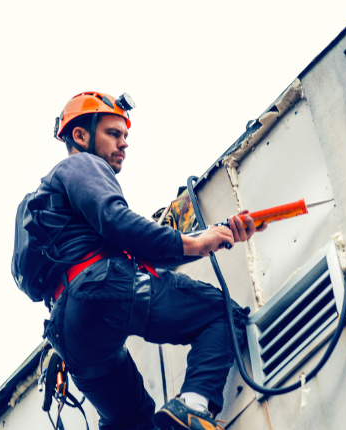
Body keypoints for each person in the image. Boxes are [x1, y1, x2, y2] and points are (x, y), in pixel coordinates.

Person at [30, 91, 264, 430]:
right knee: (222, 313)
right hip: (103, 288)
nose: (123, 143)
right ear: (79, 136)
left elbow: (135, 251)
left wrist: (212, 236)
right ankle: (193, 406)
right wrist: (196, 245)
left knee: (130, 420)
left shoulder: (48, 208)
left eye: (125, 136)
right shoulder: (81, 165)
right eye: (113, 133)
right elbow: (120, 223)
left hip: (69, 331)